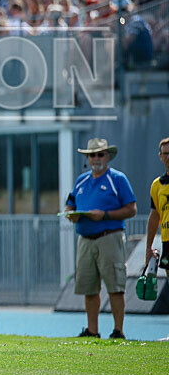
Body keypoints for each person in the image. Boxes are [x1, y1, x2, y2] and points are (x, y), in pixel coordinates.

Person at [64, 138, 136, 340]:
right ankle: (92, 330)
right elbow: (70, 203)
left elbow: (131, 209)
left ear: (107, 156)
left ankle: (118, 330)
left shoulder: (118, 179)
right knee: (88, 287)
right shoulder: (81, 181)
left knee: (115, 286)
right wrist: (71, 213)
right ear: (87, 157)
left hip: (109, 237)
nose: (96, 158)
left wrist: (104, 215)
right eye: (92, 154)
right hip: (85, 239)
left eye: (100, 154)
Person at [146, 137, 169, 276]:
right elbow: (155, 216)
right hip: (167, 240)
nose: (168, 157)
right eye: (165, 154)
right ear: (160, 157)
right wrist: (148, 248)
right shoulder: (157, 185)